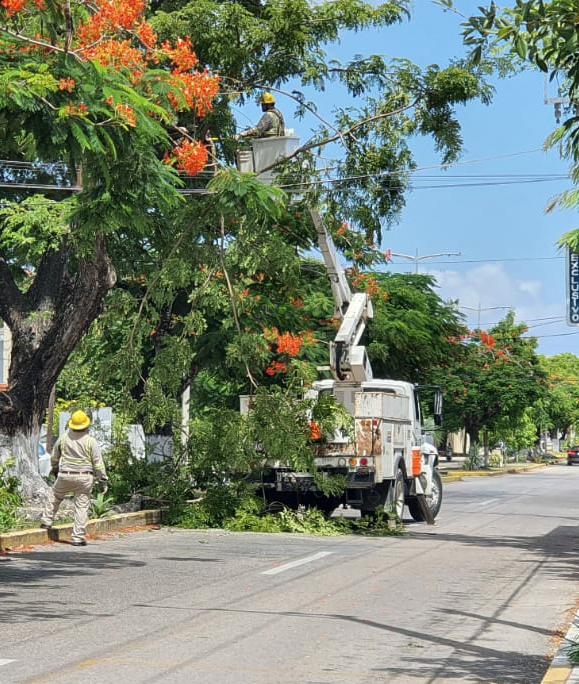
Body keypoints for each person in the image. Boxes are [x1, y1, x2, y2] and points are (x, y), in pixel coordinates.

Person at [41, 410, 108, 547]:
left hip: (65, 474)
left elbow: (55, 455)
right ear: (86, 426)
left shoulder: (64, 438)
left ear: (71, 425)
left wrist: (55, 468)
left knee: (55, 496)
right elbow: (98, 463)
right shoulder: (91, 441)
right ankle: (78, 537)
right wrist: (103, 479)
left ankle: (46, 521)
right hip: (84, 477)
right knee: (81, 506)